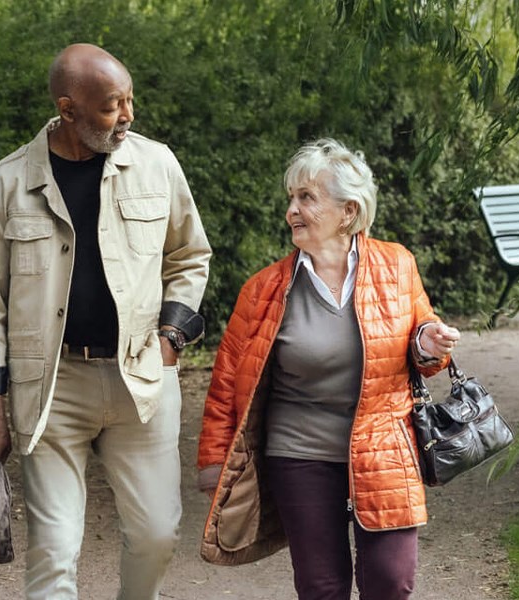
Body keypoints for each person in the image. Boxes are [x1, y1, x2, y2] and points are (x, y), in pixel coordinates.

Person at [0, 43, 211, 599]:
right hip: (50, 388)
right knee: (54, 549)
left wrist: (171, 336)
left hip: (141, 378)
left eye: (130, 101)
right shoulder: (4, 185)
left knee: (156, 535)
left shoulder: (157, 164)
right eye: (112, 106)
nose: (128, 117)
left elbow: (190, 256)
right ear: (68, 109)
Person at [196, 139, 461, 599]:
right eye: (291, 199)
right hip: (299, 451)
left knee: (390, 581)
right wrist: (215, 461)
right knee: (322, 588)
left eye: (306, 198)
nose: (292, 211)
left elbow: (422, 343)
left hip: (383, 445)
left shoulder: (396, 266)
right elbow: (226, 383)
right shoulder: (264, 289)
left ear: (348, 210)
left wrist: (429, 343)